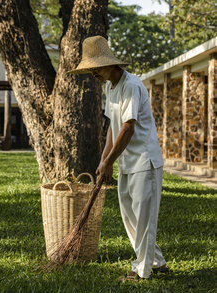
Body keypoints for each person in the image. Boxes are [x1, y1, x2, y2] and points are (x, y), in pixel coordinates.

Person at [69, 35, 168, 281]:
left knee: (144, 219)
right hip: (126, 162)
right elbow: (113, 127)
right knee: (131, 220)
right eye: (90, 69)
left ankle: (142, 271)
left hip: (145, 161)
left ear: (111, 63)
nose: (93, 73)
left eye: (96, 67)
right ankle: (156, 262)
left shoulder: (131, 85)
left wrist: (109, 161)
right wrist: (104, 161)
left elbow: (128, 127)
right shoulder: (108, 87)